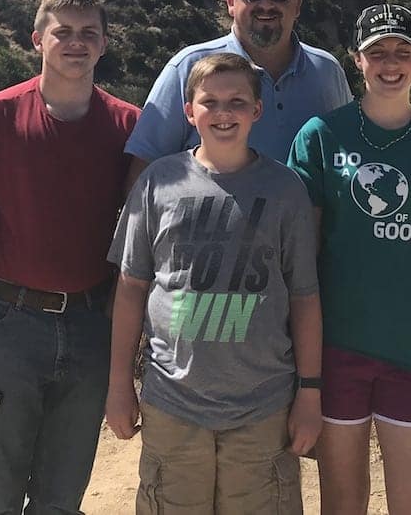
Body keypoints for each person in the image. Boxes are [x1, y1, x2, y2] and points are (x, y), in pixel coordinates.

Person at [0, 0, 140, 515]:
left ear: (104, 44)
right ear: (38, 40)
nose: (76, 43)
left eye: (88, 34)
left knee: (61, 499)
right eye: (63, 32)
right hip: (7, 327)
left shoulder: (128, 126)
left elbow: (146, 237)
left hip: (92, 327)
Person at [107, 51, 323, 515]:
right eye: (209, 102)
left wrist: (310, 392)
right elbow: (130, 288)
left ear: (257, 110)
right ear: (189, 112)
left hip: (263, 406)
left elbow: (305, 296)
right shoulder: (158, 183)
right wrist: (118, 383)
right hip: (174, 401)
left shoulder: (285, 189)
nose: (223, 113)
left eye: (237, 102)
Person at [288, 4, 411, 515]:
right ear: (356, 59)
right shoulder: (320, 137)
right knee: (342, 503)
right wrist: (301, 366)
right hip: (336, 351)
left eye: (403, 51)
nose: (390, 63)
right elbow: (301, 260)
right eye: (377, 52)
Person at [124, 0, 351, 179]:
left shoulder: (327, 71)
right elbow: (144, 171)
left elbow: (347, 154)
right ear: (231, 3)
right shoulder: (187, 67)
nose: (266, 3)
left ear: (297, 6)